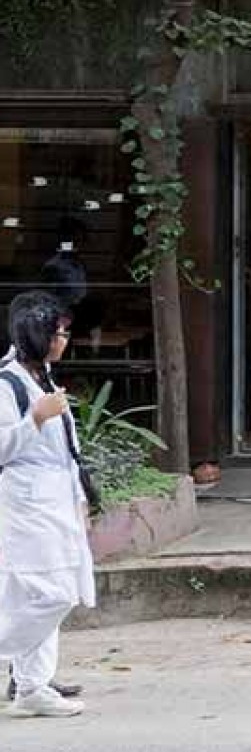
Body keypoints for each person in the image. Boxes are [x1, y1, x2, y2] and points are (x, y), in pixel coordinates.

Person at [0, 292, 96, 718]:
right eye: (58, 333)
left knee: (54, 589)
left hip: (56, 500)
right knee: (52, 593)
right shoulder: (8, 384)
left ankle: (32, 686)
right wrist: (34, 418)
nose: (63, 340)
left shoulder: (45, 378)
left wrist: (79, 499)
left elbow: (66, 451)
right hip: (26, 503)